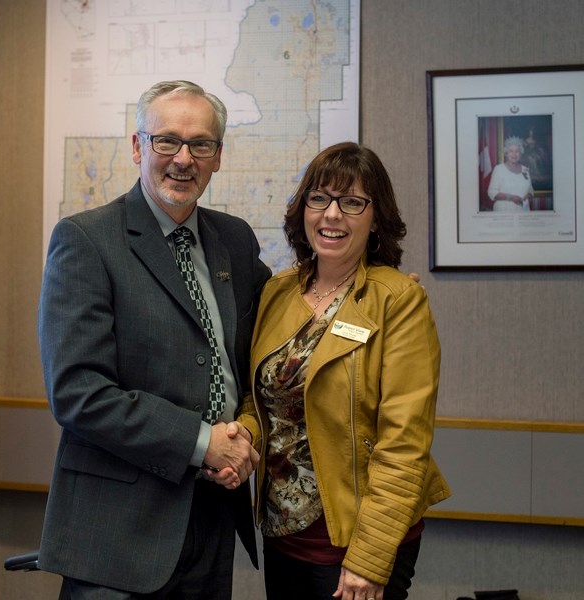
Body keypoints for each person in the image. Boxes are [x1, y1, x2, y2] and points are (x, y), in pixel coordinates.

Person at [36, 80, 271, 599]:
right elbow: (78, 393)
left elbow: (272, 336)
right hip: (118, 537)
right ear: (139, 146)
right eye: (166, 141)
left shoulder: (234, 240)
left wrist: (368, 287)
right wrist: (203, 442)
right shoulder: (86, 240)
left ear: (217, 157)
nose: (182, 158)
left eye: (200, 144)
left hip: (212, 519)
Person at [237, 142, 451, 600]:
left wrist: (369, 560)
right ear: (304, 210)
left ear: (376, 219)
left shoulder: (398, 301)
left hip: (356, 541)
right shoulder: (277, 291)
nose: (332, 214)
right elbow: (263, 404)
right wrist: (241, 439)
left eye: (352, 202)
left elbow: (405, 444)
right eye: (320, 198)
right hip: (282, 533)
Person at [487, 136, 534, 211]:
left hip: (522, 211)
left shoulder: (525, 170)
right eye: (511, 151)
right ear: (506, 153)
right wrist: (511, 197)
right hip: (503, 211)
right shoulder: (499, 169)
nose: (514, 154)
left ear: (521, 153)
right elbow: (492, 192)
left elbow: (530, 191)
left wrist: (529, 195)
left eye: (517, 151)